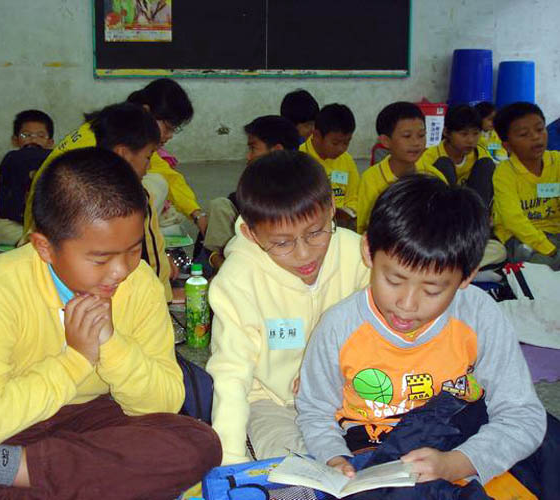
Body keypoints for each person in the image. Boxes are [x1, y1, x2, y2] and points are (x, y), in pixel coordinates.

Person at [0, 148, 221, 500]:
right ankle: (20, 470)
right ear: (44, 247)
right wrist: (77, 359)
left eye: (133, 250)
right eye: (100, 258)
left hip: (96, 410)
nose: (121, 271)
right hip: (8, 413)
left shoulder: (140, 283)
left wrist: (111, 343)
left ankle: (5, 468)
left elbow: (165, 401)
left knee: (198, 443)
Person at [297, 174, 548, 492]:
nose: (406, 305)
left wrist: (456, 463)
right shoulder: (339, 326)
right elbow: (314, 410)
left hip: (455, 444)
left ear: (467, 277)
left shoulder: (478, 315)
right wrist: (334, 458)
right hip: (371, 454)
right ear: (368, 251)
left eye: (432, 290)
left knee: (547, 445)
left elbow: (522, 414)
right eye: (394, 280)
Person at [206, 150, 369, 465]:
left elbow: (384, 323)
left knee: (380, 453)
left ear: (331, 209)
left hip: (347, 393)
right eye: (282, 243)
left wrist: (330, 371)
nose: (304, 255)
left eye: (315, 232)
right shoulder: (238, 281)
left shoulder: (357, 254)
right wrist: (230, 458)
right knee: (296, 466)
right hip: (272, 402)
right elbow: (231, 372)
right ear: (251, 234)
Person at [22, 102, 175, 300]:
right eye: (148, 157)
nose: (149, 166)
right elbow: (155, 257)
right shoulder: (136, 197)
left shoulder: (68, 186)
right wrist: (164, 298)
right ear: (123, 154)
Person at [203, 115, 299, 272]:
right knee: (219, 206)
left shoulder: (301, 185)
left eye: (253, 148)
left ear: (276, 151)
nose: (248, 156)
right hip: (246, 255)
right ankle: (226, 267)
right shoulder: (253, 179)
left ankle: (228, 268)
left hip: (278, 258)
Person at [127, 78, 208, 235]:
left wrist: (196, 213)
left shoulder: (128, 131)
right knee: (155, 187)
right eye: (168, 128)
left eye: (174, 130)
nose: (170, 136)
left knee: (172, 218)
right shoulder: (117, 137)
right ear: (146, 112)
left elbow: (168, 175)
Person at [357, 102, 446, 235]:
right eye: (407, 136)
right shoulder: (371, 179)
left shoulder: (433, 176)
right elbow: (363, 228)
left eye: (421, 135)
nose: (416, 143)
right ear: (385, 141)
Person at [492, 101, 560, 270]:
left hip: (555, 232)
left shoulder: (557, 161)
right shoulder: (504, 173)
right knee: (538, 265)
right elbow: (513, 220)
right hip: (520, 237)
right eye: (524, 134)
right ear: (507, 145)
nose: (536, 137)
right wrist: (548, 248)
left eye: (540, 129)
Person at [0, 110, 54, 246]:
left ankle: (30, 242)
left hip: (49, 225)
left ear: (51, 142)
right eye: (26, 135)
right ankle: (36, 241)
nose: (33, 140)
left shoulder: (56, 163)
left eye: (41, 136)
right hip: (21, 226)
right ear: (15, 140)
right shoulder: (8, 164)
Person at [418, 104, 496, 206]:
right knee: (443, 165)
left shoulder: (480, 154)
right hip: (442, 210)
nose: (471, 140)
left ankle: (480, 214)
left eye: (476, 133)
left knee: (486, 164)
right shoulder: (430, 158)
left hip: (473, 209)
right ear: (446, 132)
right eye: (464, 134)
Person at [299, 103, 360, 229]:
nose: (341, 149)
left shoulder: (346, 160)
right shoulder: (299, 157)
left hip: (341, 223)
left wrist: (349, 210)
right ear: (317, 135)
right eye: (335, 143)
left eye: (346, 143)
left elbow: (354, 196)